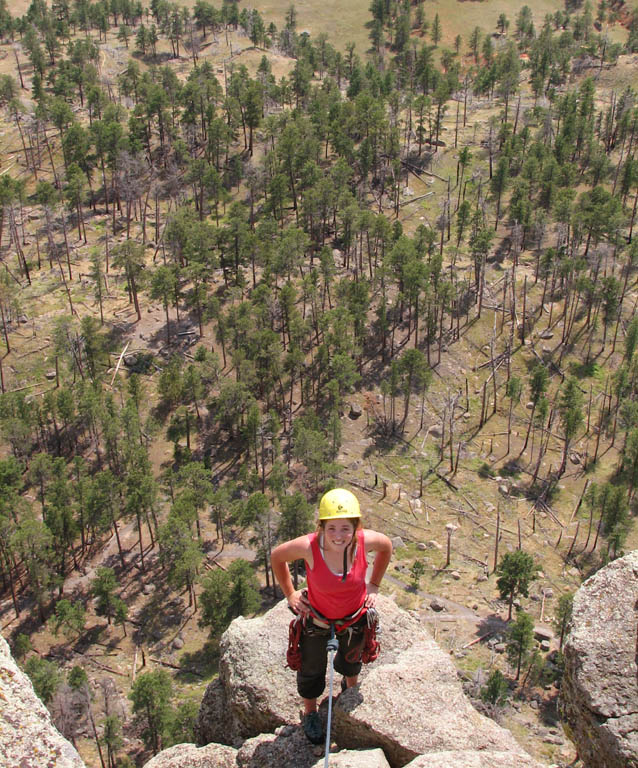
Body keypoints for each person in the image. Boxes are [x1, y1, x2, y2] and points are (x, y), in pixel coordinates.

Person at [271, 488, 392, 744]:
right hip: (317, 619)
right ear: (322, 527)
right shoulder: (309, 546)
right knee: (311, 669)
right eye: (332, 528)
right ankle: (311, 712)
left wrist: (375, 585)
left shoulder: (365, 541)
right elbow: (277, 556)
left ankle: (348, 690)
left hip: (354, 618)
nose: (339, 536)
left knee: (351, 661)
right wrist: (290, 594)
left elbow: (386, 547)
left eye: (345, 528)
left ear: (355, 527)